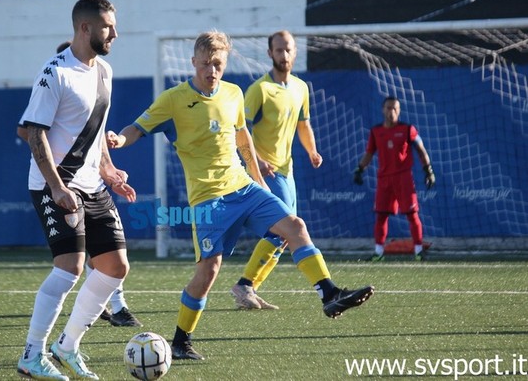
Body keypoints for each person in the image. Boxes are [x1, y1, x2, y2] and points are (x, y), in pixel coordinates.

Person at [107, 30, 374, 361]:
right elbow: (138, 127)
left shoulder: (233, 94)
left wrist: (259, 181)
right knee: (208, 272)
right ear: (193, 63)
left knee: (295, 227)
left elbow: (244, 140)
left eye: (217, 64)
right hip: (208, 201)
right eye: (205, 63)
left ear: (224, 63)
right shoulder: (173, 100)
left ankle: (329, 294)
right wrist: (119, 140)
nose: (211, 70)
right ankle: (180, 342)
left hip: (244, 188)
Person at [16, 0, 136, 380]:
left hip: (91, 185)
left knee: (116, 267)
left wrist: (110, 170)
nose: (115, 33)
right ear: (85, 28)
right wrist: (56, 187)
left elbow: (95, 131)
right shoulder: (55, 73)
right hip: (57, 185)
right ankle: (31, 355)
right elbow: (33, 133)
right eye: (107, 27)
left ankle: (66, 347)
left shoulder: (105, 72)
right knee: (70, 267)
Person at [231, 30, 323, 310]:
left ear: (295, 52)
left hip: (287, 171)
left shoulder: (300, 88)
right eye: (279, 50)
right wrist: (256, 160)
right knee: (284, 230)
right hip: (266, 174)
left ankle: (249, 287)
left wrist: (311, 150)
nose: (284, 55)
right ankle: (245, 284)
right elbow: (239, 129)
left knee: (284, 236)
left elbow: (303, 124)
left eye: (289, 49)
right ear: (270, 54)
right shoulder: (259, 89)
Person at [353, 96, 435, 262]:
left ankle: (419, 251)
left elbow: (421, 150)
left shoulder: (407, 129)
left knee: (412, 214)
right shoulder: (376, 131)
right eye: (389, 108)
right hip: (384, 180)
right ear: (383, 110)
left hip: (403, 178)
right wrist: (360, 169)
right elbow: (369, 153)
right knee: (381, 215)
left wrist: (429, 171)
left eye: (395, 108)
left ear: (399, 111)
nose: (392, 111)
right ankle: (378, 253)